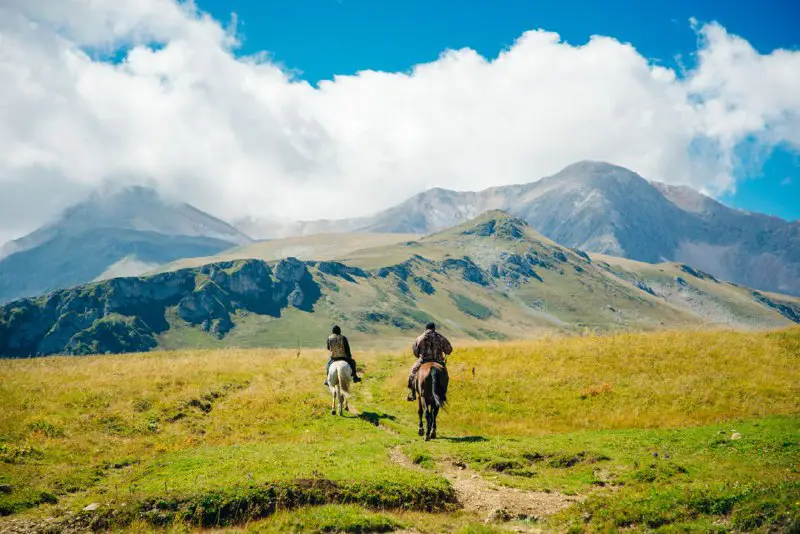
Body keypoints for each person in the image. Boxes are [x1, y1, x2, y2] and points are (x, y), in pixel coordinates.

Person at [407, 322, 452, 401]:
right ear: (434, 328)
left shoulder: (420, 338)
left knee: (412, 373)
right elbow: (449, 349)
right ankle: (443, 394)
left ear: (426, 328)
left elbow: (415, 351)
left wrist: (420, 355)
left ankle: (413, 394)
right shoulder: (440, 337)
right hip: (438, 361)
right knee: (445, 376)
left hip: (423, 361)